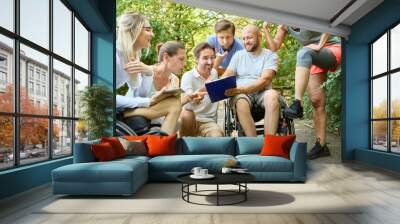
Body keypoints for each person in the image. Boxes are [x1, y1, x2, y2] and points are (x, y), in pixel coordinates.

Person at [263, 22, 342, 159]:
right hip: (312, 55)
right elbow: (274, 47)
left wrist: (319, 45)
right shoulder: (284, 24)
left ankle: (297, 104)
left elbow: (328, 24)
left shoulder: (307, 11)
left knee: (303, 52)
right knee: (316, 100)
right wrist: (266, 29)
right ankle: (321, 145)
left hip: (331, 48)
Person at [115, 12, 180, 135]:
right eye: (148, 29)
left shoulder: (132, 56)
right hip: (111, 111)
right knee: (173, 105)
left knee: (174, 103)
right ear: (133, 30)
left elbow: (139, 93)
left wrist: (148, 73)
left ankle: (161, 143)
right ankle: (159, 144)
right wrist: (147, 102)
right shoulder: (115, 56)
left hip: (124, 108)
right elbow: (107, 99)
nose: (152, 34)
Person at [223, 25, 280, 137]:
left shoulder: (270, 55)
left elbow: (265, 80)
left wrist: (241, 89)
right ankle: (253, 143)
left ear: (259, 37)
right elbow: (227, 74)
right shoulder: (238, 56)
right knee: (240, 101)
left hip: (262, 92)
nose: (246, 41)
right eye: (243, 39)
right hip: (242, 96)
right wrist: (218, 85)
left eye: (249, 38)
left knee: (272, 95)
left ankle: (269, 144)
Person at [179, 42, 224, 137]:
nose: (210, 62)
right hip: (190, 120)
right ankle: (186, 145)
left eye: (212, 57)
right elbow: (187, 102)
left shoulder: (214, 73)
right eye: (205, 58)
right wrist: (200, 91)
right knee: (187, 114)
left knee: (218, 137)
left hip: (208, 122)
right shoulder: (188, 76)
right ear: (196, 60)